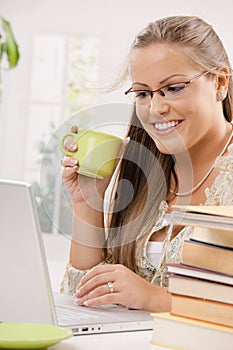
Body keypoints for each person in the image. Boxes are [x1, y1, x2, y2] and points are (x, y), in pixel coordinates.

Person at [60, 15, 233, 312]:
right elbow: (84, 296)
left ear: (219, 82)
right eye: (142, 93)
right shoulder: (146, 173)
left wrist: (153, 298)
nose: (155, 109)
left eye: (175, 88)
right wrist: (88, 203)